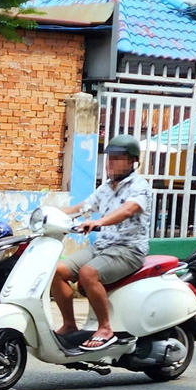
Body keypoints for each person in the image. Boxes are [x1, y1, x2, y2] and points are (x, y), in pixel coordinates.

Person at [52, 134, 152, 351]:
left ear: (132, 161)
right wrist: (49, 215)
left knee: (89, 273)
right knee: (57, 270)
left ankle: (105, 328)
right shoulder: (107, 187)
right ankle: (70, 325)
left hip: (128, 249)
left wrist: (99, 222)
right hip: (102, 247)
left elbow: (127, 210)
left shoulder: (139, 186)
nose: (110, 162)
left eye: (117, 158)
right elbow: (82, 207)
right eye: (109, 157)